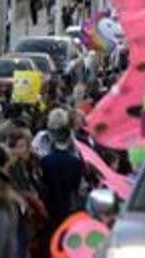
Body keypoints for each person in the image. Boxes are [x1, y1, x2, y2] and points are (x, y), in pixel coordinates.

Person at [38, 109, 85, 254]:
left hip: (50, 205)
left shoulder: (44, 160)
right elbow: (76, 186)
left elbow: (43, 182)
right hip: (68, 205)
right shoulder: (76, 161)